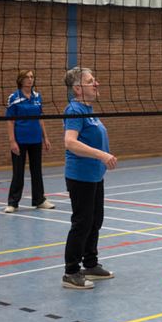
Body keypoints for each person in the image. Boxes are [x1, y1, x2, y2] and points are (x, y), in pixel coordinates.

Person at [62, 67, 117, 289]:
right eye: (91, 80)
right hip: (80, 176)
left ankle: (91, 264)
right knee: (82, 223)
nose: (96, 83)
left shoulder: (88, 110)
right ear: (78, 88)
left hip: (94, 175)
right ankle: (71, 272)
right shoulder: (74, 110)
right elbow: (70, 142)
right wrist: (102, 155)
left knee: (95, 220)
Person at [4, 70, 54, 213]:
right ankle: (13, 203)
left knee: (37, 170)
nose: (30, 79)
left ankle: (39, 200)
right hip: (20, 140)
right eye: (27, 77)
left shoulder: (37, 97)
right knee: (18, 172)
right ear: (21, 80)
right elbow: (10, 121)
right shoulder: (14, 97)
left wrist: (45, 137)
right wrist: (12, 141)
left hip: (35, 139)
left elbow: (40, 118)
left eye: (32, 77)